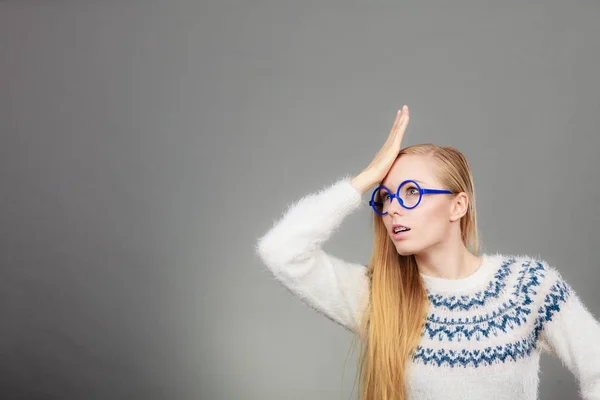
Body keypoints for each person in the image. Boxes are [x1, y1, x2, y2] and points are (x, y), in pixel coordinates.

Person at [254, 105, 600, 400]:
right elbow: (281, 250)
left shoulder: (527, 286)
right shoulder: (379, 297)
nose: (393, 209)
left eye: (411, 192)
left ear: (457, 206)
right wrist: (365, 178)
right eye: (386, 197)